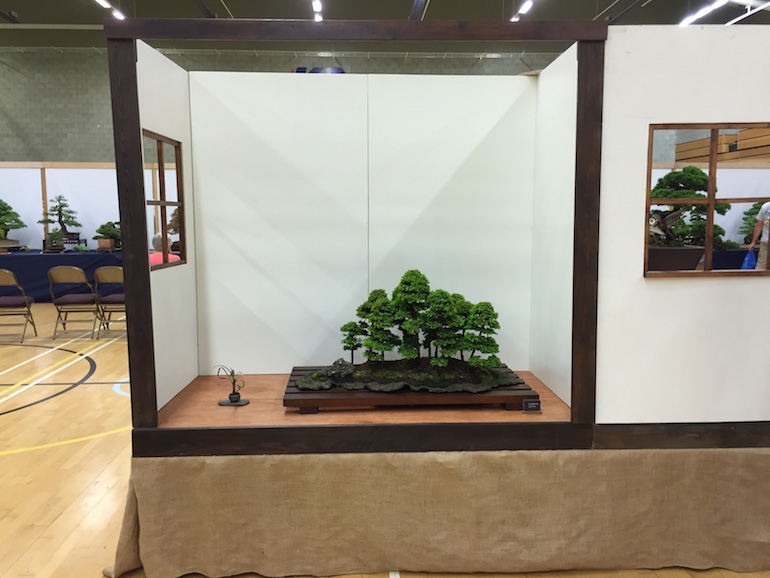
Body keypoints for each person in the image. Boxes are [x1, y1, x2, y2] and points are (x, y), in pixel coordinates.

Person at [748, 201, 770, 271]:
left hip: (766, 240)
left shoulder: (765, 206)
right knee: (762, 265)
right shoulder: (765, 206)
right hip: (766, 240)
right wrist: (753, 242)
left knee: (762, 265)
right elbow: (759, 225)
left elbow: (759, 225)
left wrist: (753, 242)